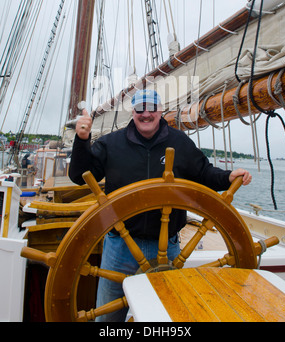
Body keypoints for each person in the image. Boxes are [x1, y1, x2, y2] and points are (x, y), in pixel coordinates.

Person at [69, 89, 252, 322]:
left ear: (161, 110)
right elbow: (79, 175)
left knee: (166, 316)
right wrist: (82, 139)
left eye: (152, 108)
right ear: (132, 112)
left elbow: (203, 173)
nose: (146, 114)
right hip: (120, 247)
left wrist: (228, 176)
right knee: (108, 318)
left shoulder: (180, 143)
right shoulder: (111, 144)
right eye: (140, 108)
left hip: (168, 246)